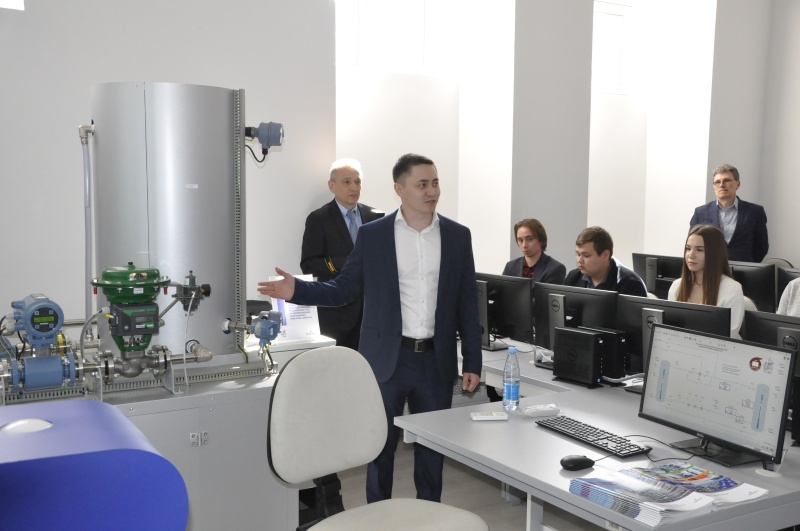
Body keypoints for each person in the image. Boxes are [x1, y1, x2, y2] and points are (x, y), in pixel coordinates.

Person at [258, 153, 482, 504]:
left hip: (435, 362)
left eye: (435, 183)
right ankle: (377, 516)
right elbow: (345, 289)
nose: (432, 191)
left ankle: (430, 517)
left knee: (431, 452)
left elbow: (467, 302)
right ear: (400, 189)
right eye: (422, 184)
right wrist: (297, 291)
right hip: (386, 360)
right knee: (379, 448)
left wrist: (472, 360)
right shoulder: (374, 235)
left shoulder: (457, 236)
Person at [300, 158, 384, 350]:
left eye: (357, 182)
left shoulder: (376, 216)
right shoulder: (319, 219)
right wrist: (346, 263)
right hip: (336, 315)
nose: (354, 187)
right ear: (332, 186)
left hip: (371, 313)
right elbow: (309, 264)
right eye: (347, 182)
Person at [668, 224, 745, 338]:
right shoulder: (677, 286)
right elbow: (670, 330)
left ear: (714, 253)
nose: (691, 255)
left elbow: (729, 335)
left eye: (699, 250)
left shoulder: (732, 289)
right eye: (688, 248)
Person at [689, 163, 769, 263]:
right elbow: (692, 244)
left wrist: (748, 266)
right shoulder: (700, 212)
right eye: (717, 182)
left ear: (738, 184)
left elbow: (762, 247)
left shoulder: (755, 212)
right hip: (710, 268)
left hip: (743, 269)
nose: (721, 185)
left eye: (726, 180)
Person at [565, 226, 647, 297]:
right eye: (578, 254)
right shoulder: (573, 277)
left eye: (586, 255)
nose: (579, 260)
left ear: (605, 255)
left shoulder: (630, 284)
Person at [502, 218, 566, 284]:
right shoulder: (511, 266)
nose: (524, 245)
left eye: (529, 239)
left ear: (541, 240)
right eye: (520, 240)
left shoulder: (555, 268)